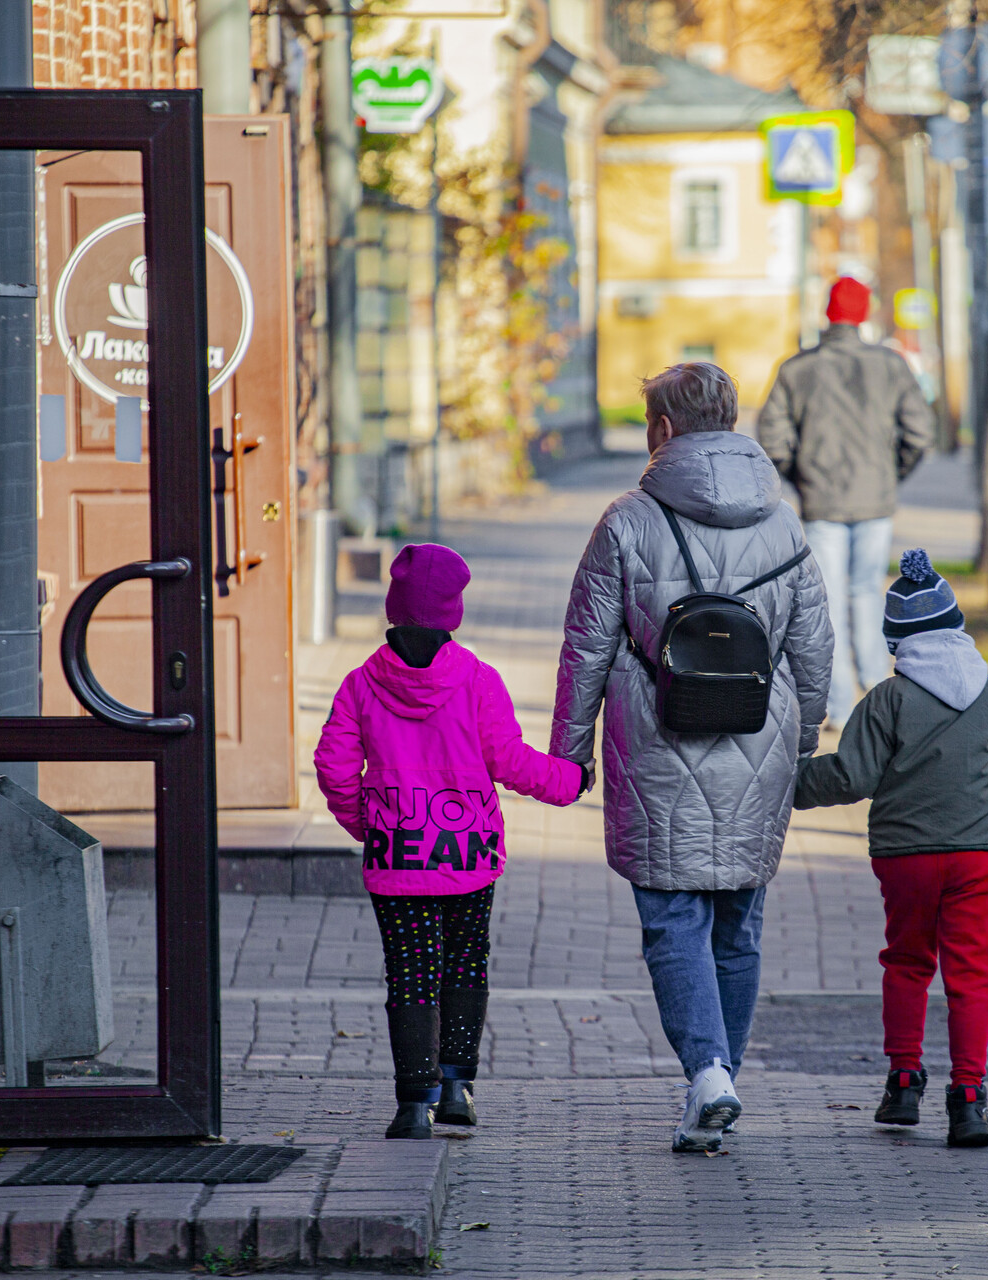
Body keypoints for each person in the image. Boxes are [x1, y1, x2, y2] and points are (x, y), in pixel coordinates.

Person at [552, 362, 832, 1153]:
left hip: (656, 746)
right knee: (737, 928)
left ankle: (709, 1077)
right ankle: (719, 1083)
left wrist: (570, 756)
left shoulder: (626, 521)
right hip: (758, 746)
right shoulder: (785, 524)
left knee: (675, 922)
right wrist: (799, 746)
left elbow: (585, 650)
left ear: (664, 431)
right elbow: (813, 651)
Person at [316, 543, 589, 1140]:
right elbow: (509, 760)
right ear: (453, 612)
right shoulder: (477, 680)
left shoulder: (360, 683)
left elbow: (335, 767)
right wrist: (572, 781)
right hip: (468, 859)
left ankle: (413, 1104)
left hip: (398, 859)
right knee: (466, 962)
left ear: (394, 608)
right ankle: (457, 1087)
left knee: (409, 972)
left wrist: (372, 828)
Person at [793, 549, 988, 1148]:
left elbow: (851, 775)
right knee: (972, 976)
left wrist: (787, 784)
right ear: (957, 626)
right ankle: (970, 1099)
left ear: (896, 643)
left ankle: (903, 1082)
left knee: (907, 962)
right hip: (980, 854)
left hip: (905, 857)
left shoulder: (887, 699)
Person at [758, 276, 935, 727]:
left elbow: (772, 436)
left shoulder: (797, 369)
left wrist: (801, 476)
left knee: (828, 605)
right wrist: (890, 475)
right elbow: (920, 432)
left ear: (827, 314)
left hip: (822, 503)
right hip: (876, 502)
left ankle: (838, 708)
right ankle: (878, 694)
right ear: (864, 314)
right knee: (868, 594)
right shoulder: (890, 366)